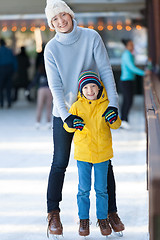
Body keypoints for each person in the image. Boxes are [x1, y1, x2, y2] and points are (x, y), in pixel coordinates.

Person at [44, 0, 124, 237]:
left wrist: (114, 104)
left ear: (70, 14)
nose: (60, 21)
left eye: (62, 15)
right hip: (66, 113)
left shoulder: (91, 37)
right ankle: (53, 214)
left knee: (103, 162)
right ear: (51, 23)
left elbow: (106, 71)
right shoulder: (51, 48)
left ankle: (110, 212)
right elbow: (55, 86)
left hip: (94, 110)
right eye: (54, 19)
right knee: (60, 161)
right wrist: (66, 115)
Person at [63, 71, 122, 237]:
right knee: (83, 189)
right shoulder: (76, 106)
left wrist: (113, 118)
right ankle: (83, 220)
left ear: (99, 88)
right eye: (86, 87)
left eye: (93, 87)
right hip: (83, 155)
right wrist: (72, 123)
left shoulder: (106, 104)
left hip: (102, 155)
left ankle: (103, 219)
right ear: (81, 90)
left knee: (102, 189)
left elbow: (117, 124)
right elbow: (68, 126)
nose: (90, 91)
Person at [120, 39, 150, 130]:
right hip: (126, 81)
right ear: (126, 46)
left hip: (129, 81)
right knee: (128, 101)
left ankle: (124, 120)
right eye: (130, 45)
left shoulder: (130, 54)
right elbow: (131, 68)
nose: (132, 46)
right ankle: (123, 120)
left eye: (132, 44)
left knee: (128, 101)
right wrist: (144, 73)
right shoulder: (126, 54)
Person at [27, 56, 52, 129]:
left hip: (41, 89)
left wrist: (28, 88)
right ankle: (48, 123)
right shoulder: (50, 70)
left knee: (40, 106)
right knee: (49, 107)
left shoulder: (39, 71)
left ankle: (37, 122)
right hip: (49, 89)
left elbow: (34, 81)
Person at [0, 39, 17, 108]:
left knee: (0, 88)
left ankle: (1, 103)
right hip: (9, 69)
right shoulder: (9, 51)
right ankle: (9, 102)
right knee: (8, 87)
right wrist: (15, 70)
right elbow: (14, 61)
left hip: (1, 70)